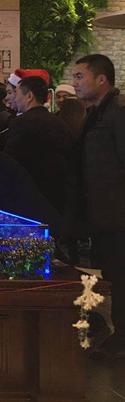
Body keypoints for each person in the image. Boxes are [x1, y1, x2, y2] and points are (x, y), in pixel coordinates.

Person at [72, 54, 125, 360]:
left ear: (101, 79)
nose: (75, 83)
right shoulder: (97, 112)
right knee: (113, 277)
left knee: (120, 277)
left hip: (118, 216)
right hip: (103, 215)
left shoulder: (118, 111)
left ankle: (122, 341)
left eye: (80, 76)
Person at [0, 75, 75, 216]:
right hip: (57, 198)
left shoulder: (20, 123)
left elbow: (11, 162)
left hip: (29, 197)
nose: (14, 99)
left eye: (16, 93)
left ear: (29, 96)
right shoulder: (60, 123)